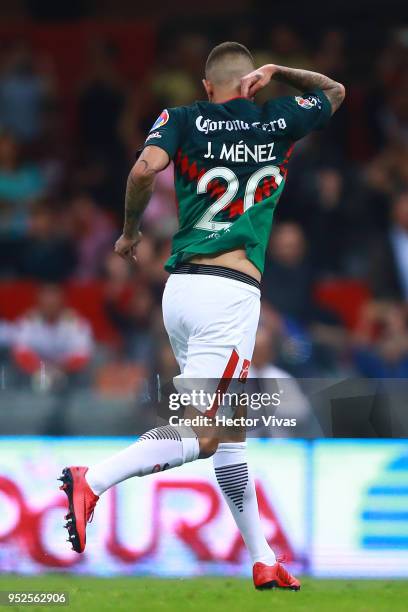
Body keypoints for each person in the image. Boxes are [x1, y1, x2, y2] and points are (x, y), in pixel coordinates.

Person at [60, 41, 344, 590]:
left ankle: (262, 557)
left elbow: (144, 171)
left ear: (208, 85)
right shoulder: (278, 117)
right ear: (250, 84)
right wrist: (281, 71)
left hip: (181, 291)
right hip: (230, 295)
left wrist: (129, 231)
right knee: (207, 434)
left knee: (230, 435)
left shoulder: (183, 118)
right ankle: (90, 479)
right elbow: (334, 92)